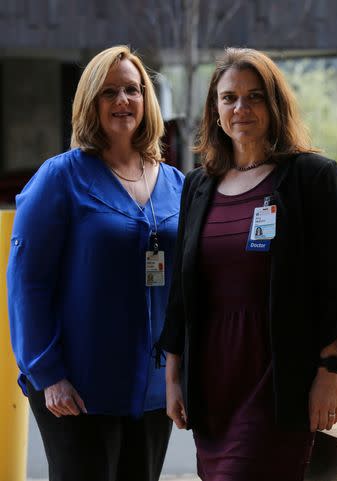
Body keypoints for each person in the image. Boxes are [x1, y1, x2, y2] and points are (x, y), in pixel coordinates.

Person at [158, 47, 337, 481]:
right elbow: (181, 291)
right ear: (214, 110)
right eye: (229, 98)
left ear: (275, 104)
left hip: (279, 378)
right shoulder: (198, 185)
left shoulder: (313, 177)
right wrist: (174, 376)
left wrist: (330, 371)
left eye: (254, 97)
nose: (241, 108)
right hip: (213, 382)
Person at [7, 45, 184, 481]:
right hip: (76, 390)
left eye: (132, 89)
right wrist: (48, 374)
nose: (123, 101)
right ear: (90, 102)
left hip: (152, 390)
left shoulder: (176, 182)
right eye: (109, 92)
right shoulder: (60, 178)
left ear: (147, 99)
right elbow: (28, 284)